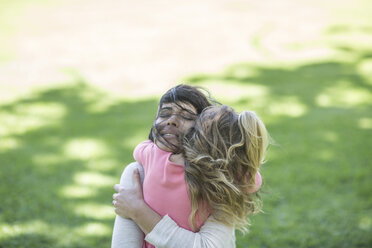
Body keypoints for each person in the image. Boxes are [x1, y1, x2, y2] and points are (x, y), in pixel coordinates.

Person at [112, 85, 268, 247]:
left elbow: (139, 149)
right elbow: (253, 180)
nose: (171, 120)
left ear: (201, 129)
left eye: (187, 116)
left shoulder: (219, 182)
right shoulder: (139, 171)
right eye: (164, 114)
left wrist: (138, 211)